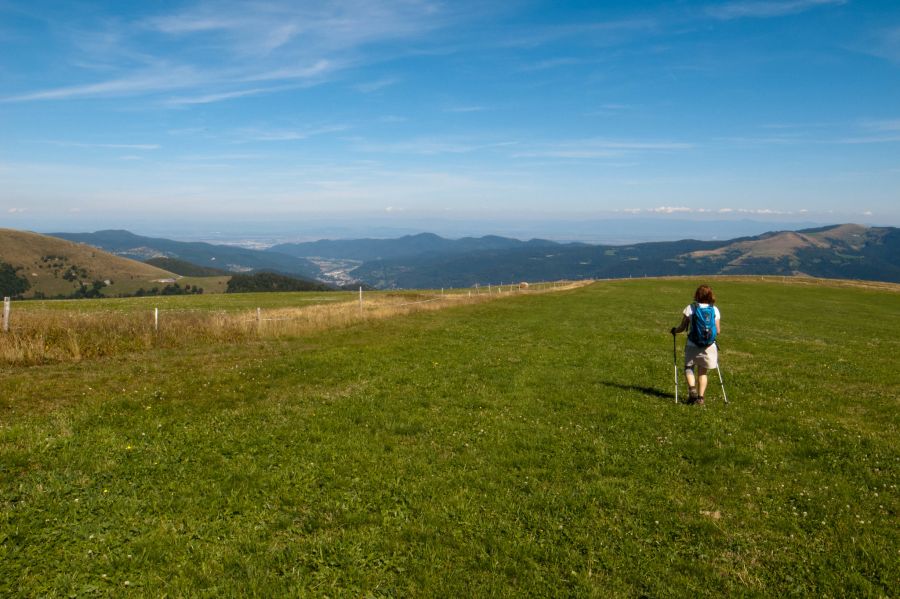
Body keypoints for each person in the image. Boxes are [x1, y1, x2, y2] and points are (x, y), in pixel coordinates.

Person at [670, 284, 721, 405]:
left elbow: (682, 327)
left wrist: (674, 331)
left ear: (697, 295)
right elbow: (718, 330)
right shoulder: (714, 309)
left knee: (689, 368)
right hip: (709, 346)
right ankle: (701, 398)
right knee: (703, 372)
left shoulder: (691, 308)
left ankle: (692, 389)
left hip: (692, 344)